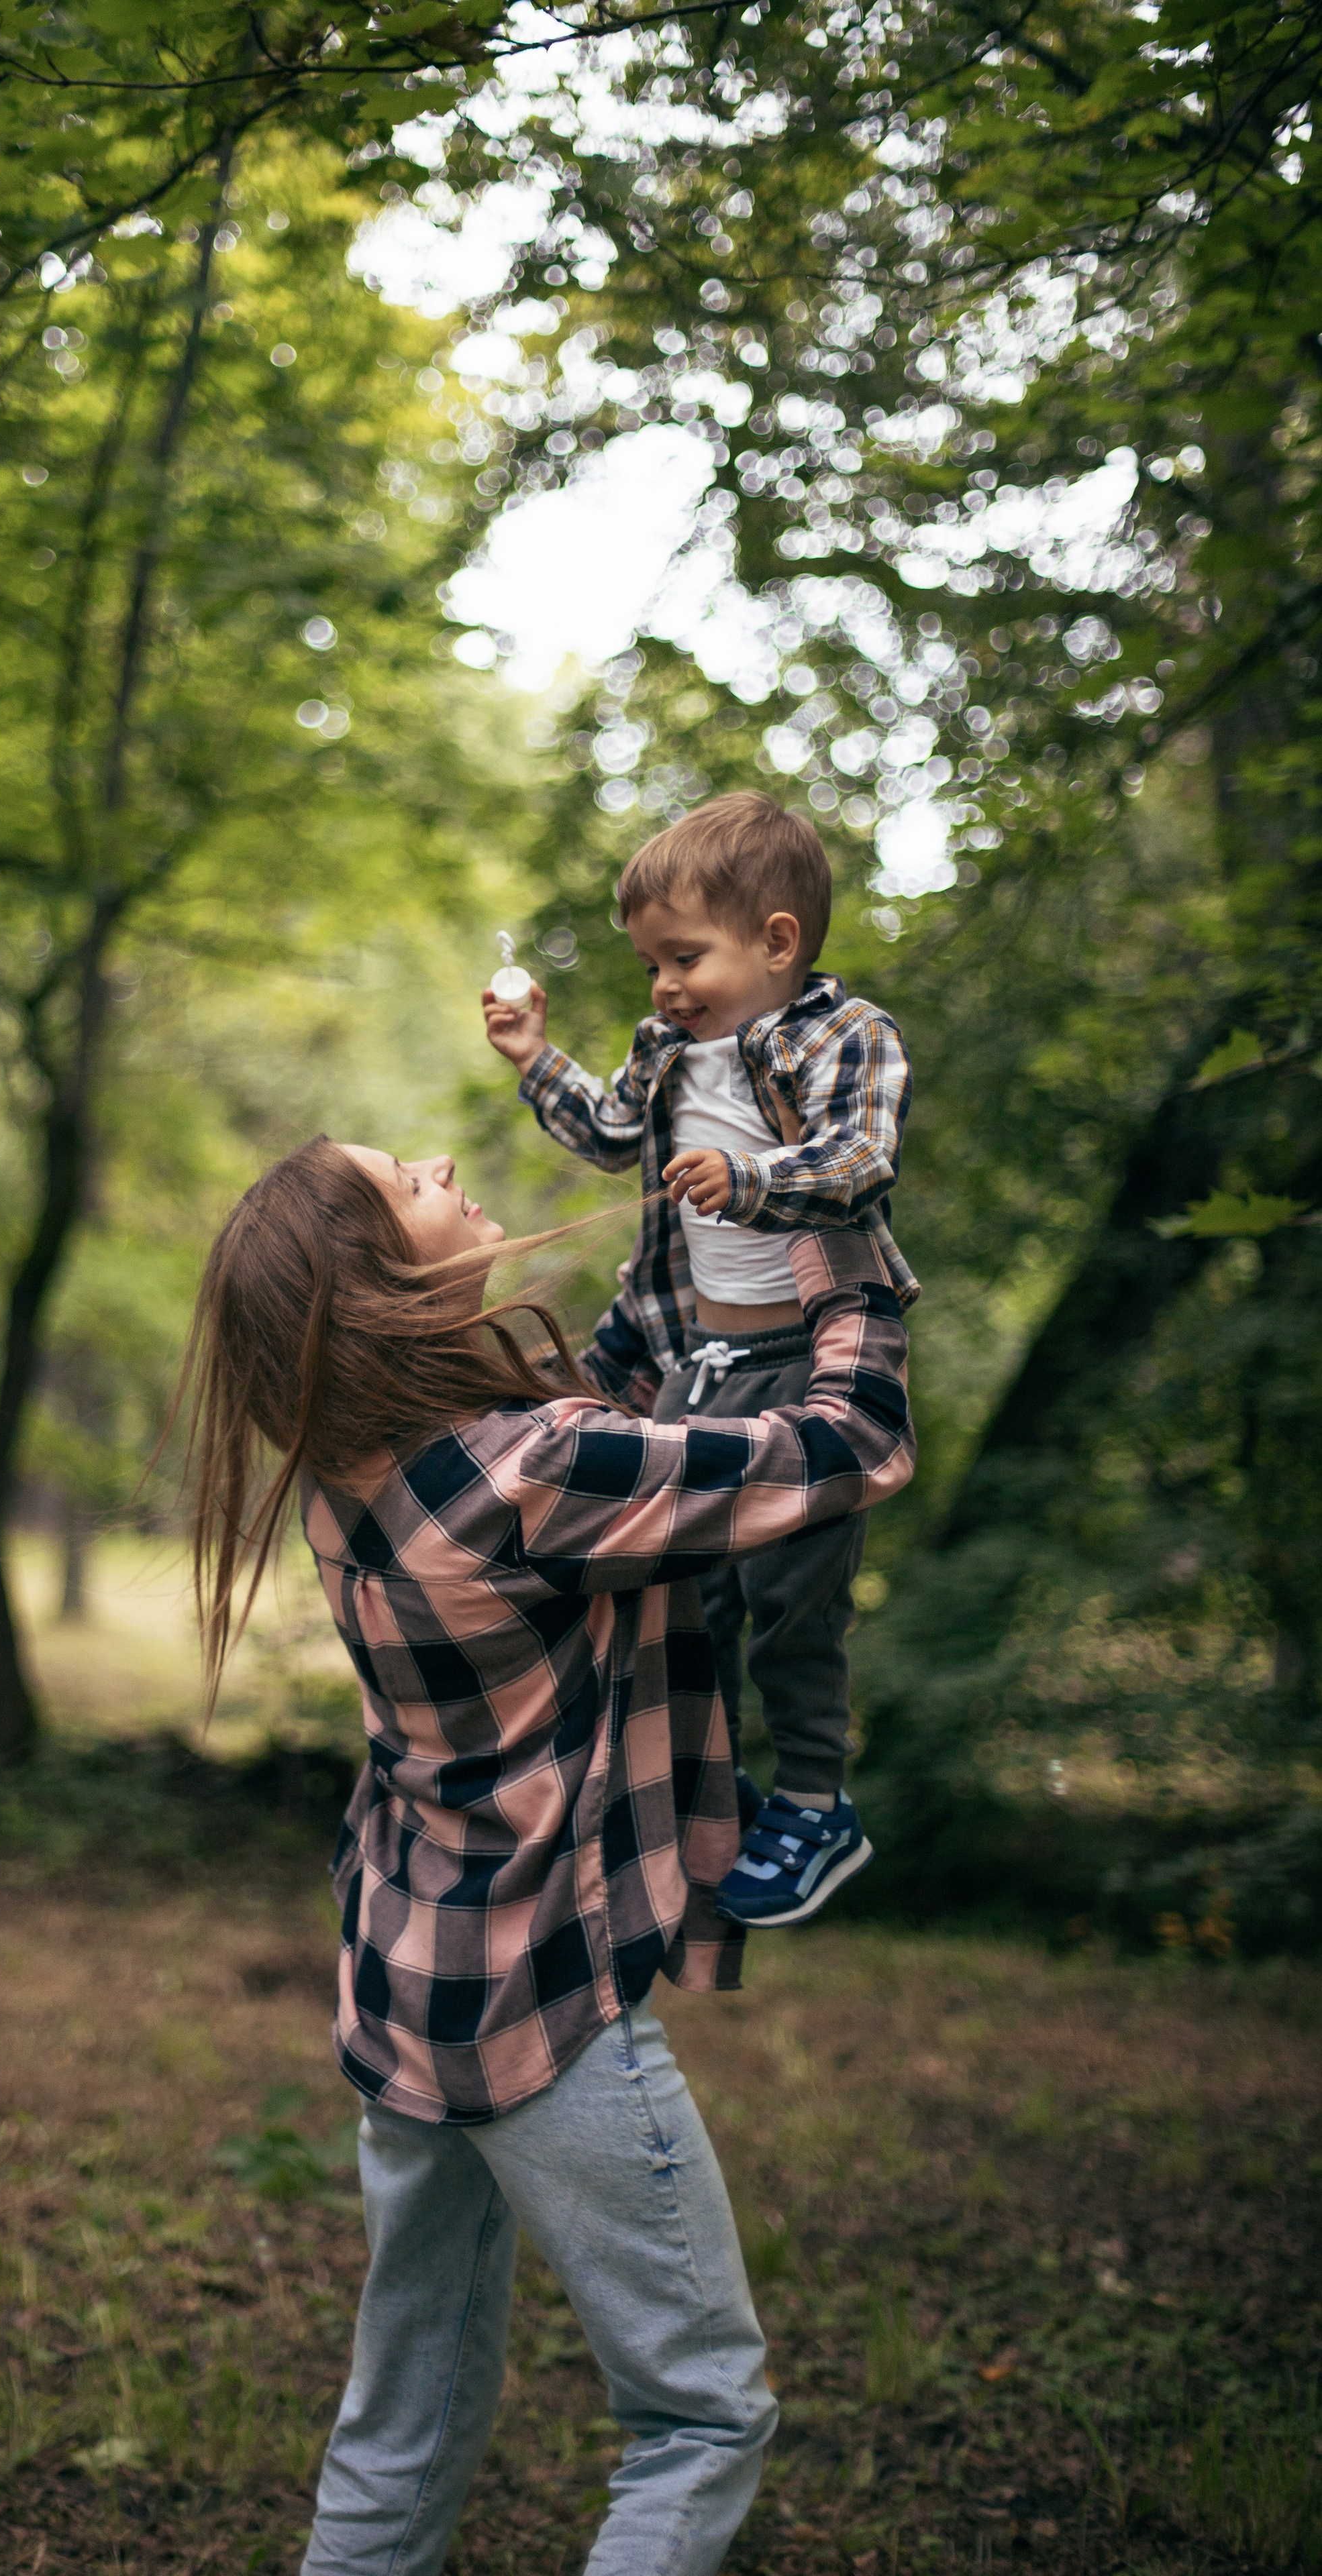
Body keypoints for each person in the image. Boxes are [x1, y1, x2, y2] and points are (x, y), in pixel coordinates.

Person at [181, 1134, 914, 2576]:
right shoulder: (536, 1469)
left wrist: (692, 1222)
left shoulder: (348, 1471)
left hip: (403, 1983)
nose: (443, 1160)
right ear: (380, 1282)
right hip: (546, 2005)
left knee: (397, 2424)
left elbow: (624, 1388)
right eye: (407, 1176)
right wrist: (855, 1280)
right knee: (697, 2420)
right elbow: (845, 1452)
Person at [482, 792, 917, 1929]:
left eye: (686, 957)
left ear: (777, 942)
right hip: (698, 1353)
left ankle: (818, 1800)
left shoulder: (844, 1037)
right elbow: (614, 1132)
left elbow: (861, 1157)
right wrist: (537, 1059)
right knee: (685, 1589)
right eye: (649, 967)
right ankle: (705, 1790)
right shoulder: (667, 1047)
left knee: (795, 1597)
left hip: (806, 1357)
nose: (666, 987)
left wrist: (754, 1179)